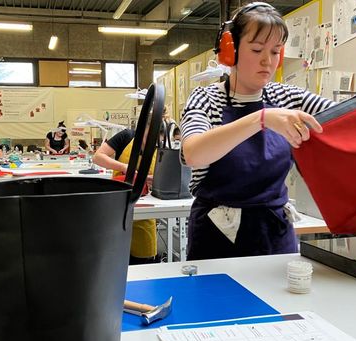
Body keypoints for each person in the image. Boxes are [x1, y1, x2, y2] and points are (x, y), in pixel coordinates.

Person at [180, 2, 334, 261]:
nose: (268, 61)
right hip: (217, 237)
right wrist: (261, 119)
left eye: (275, 52)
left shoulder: (288, 97)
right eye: (256, 49)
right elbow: (194, 153)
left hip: (274, 235)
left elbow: (345, 118)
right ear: (231, 51)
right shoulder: (205, 99)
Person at [93, 128, 158, 265]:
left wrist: (154, 179)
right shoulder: (127, 136)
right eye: (149, 136)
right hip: (118, 204)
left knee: (144, 259)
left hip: (144, 207)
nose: (151, 142)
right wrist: (124, 167)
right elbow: (98, 157)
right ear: (144, 128)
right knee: (115, 257)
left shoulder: (161, 145)